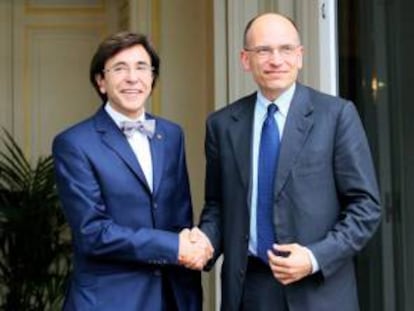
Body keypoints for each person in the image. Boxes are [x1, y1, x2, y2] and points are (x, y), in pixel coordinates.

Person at [195, 12, 381, 311]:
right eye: (263, 50)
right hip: (249, 289)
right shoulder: (222, 125)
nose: (275, 59)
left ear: (300, 56)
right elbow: (218, 205)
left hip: (318, 288)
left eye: (286, 49)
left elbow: (366, 207)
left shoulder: (336, 116)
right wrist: (203, 243)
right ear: (245, 59)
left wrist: (313, 257)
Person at [52, 31, 212, 311]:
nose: (132, 78)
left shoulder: (171, 135)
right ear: (101, 81)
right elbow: (93, 233)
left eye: (141, 67)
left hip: (174, 296)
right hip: (110, 301)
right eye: (119, 68)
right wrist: (174, 246)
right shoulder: (74, 143)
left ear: (152, 78)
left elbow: (179, 217)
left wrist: (196, 245)